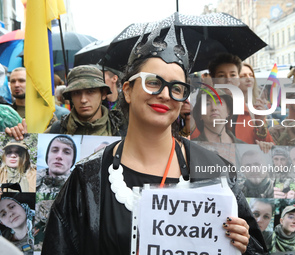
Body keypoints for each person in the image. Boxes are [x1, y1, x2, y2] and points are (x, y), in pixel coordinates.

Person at [41, 25, 265, 255]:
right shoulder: (87, 181)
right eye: (153, 82)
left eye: (177, 88)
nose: (166, 94)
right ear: (127, 90)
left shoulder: (216, 171)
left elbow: (255, 249)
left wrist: (244, 245)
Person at [208, 53, 275, 145]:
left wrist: (259, 124)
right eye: (221, 76)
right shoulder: (204, 112)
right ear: (213, 81)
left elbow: (268, 149)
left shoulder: (252, 113)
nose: (228, 80)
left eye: (233, 75)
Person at [46, 65, 126, 136]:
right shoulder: (57, 130)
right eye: (77, 93)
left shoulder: (121, 130)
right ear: (71, 96)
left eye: (90, 92)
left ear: (103, 94)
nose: (83, 100)